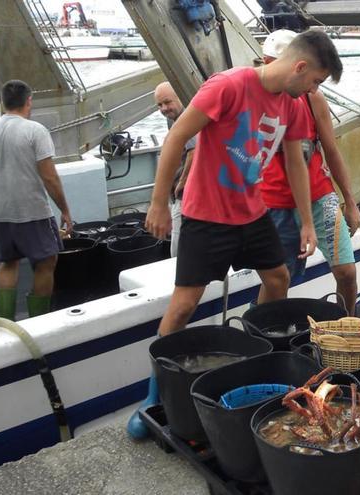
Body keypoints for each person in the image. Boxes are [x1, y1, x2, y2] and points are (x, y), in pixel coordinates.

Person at [127, 30, 343, 439]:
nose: (314, 90)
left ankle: (251, 357)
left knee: (278, 278)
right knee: (184, 305)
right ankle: (152, 394)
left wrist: (307, 221)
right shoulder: (228, 86)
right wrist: (157, 203)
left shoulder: (293, 105)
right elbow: (176, 136)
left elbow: (296, 162)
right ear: (299, 67)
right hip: (205, 216)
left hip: (251, 212)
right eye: (315, 80)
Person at [258, 29, 360, 314]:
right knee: (278, 281)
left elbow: (331, 150)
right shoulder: (254, 95)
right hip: (274, 202)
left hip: (318, 195)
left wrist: (350, 202)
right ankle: (265, 337)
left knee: (347, 273)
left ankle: (347, 328)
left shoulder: (312, 99)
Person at [0, 79, 73, 320]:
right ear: (28, 101)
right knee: (47, 261)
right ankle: (38, 319)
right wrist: (65, 210)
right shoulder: (35, 130)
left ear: (3, 102)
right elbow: (49, 177)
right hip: (32, 212)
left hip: (1, 213)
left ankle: (6, 320)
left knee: (8, 262)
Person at [153, 81, 196, 257]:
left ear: (180, 97)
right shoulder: (173, 120)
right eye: (159, 105)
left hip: (185, 196)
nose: (164, 108)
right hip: (179, 195)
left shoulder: (187, 119)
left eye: (167, 102)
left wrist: (182, 183)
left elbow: (194, 151)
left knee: (178, 252)